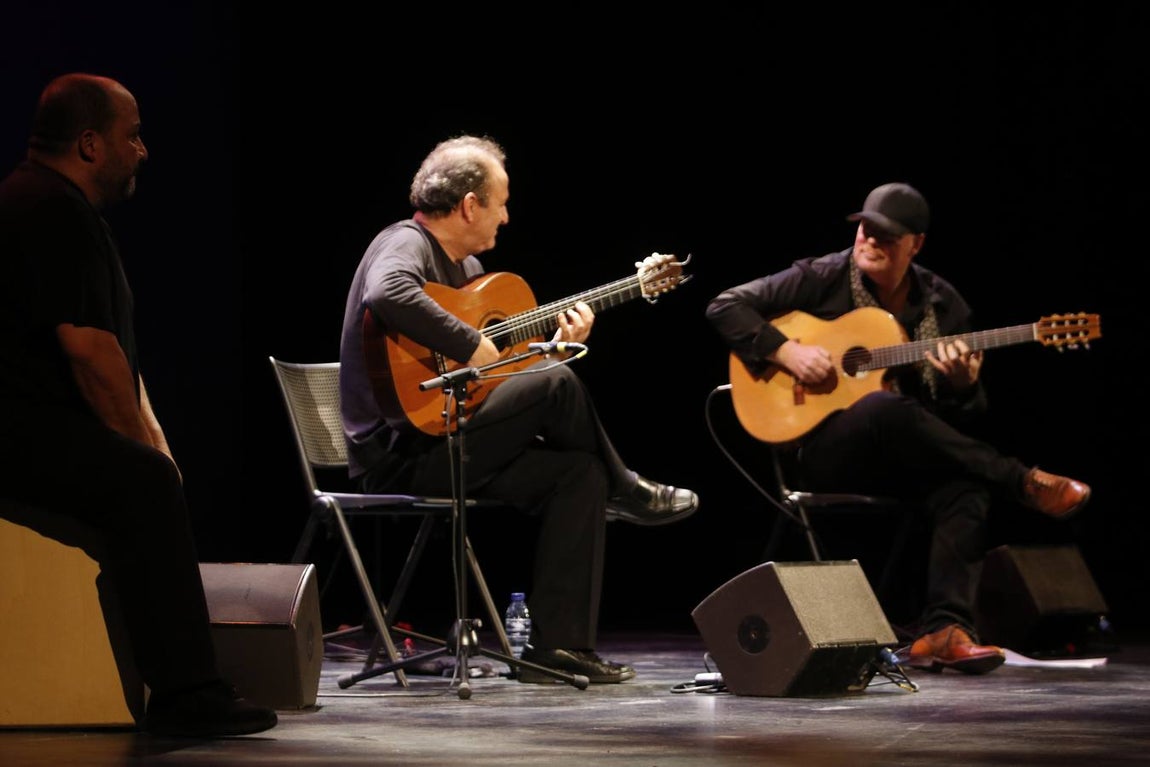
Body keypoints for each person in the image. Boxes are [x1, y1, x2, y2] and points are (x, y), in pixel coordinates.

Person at [339, 134, 699, 684]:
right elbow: (388, 293)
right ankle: (629, 488)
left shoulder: (467, 270)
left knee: (578, 473)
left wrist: (548, 348)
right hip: (402, 455)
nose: (506, 217)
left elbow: (487, 381)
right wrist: (469, 342)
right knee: (557, 386)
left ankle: (557, 651)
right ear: (469, 205)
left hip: (451, 436)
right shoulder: (404, 244)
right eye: (501, 202)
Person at [705, 182, 1090, 675]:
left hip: (903, 461)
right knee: (885, 408)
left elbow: (958, 425)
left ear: (916, 245)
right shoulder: (822, 276)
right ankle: (1021, 480)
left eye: (888, 236)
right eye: (866, 228)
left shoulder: (944, 307)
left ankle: (946, 630)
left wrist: (960, 387)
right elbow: (724, 305)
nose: (870, 241)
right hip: (824, 452)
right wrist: (787, 351)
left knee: (965, 484)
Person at [0, 73, 278, 736]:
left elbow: (118, 355)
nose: (145, 149)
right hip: (17, 430)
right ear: (92, 144)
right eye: (134, 135)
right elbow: (88, 353)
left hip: (35, 422)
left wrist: (157, 442)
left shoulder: (52, 204)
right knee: (143, 482)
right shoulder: (48, 209)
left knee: (153, 471)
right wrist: (148, 460)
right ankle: (186, 692)